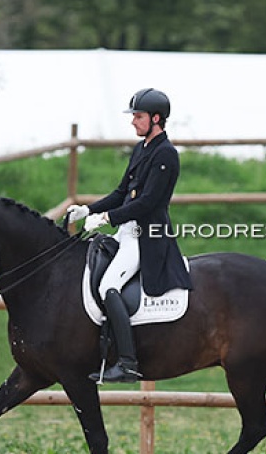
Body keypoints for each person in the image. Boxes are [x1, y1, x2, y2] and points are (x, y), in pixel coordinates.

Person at [67, 87, 193, 383]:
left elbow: (147, 203)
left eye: (138, 116)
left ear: (156, 118)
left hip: (147, 236)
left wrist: (107, 218)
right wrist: (88, 210)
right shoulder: (142, 149)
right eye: (134, 116)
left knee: (109, 285)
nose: (133, 121)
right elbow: (122, 192)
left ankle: (127, 362)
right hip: (127, 231)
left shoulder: (166, 154)